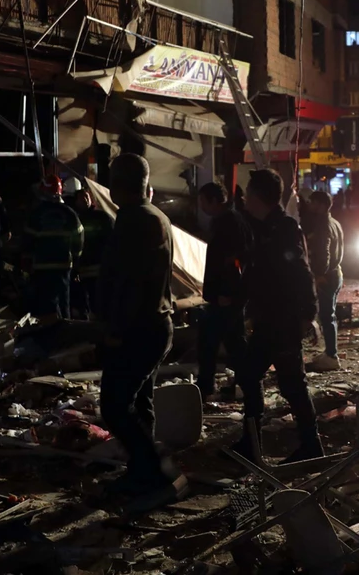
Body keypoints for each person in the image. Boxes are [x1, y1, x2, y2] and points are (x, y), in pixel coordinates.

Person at [97, 154, 182, 509]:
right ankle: (142, 471)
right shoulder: (157, 216)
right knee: (140, 402)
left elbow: (129, 283)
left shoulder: (132, 221)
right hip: (156, 325)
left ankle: (155, 470)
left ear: (117, 186)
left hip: (137, 329)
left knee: (114, 406)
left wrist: (115, 329)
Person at [235, 169, 323, 463]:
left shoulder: (284, 229)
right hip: (269, 319)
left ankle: (309, 445)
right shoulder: (262, 227)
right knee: (253, 375)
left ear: (258, 197)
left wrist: (307, 315)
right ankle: (253, 442)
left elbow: (301, 273)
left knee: (289, 384)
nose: (245, 198)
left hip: (283, 320)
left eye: (248, 193)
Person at [196, 182, 253, 399]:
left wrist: (227, 293)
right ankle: (245, 383)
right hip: (228, 295)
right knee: (234, 342)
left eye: (202, 201)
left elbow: (233, 262)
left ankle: (206, 386)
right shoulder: (231, 221)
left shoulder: (228, 224)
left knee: (209, 341)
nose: (201, 206)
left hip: (226, 296)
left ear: (213, 201)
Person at [22, 174, 84, 319]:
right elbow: (79, 239)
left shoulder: (36, 214)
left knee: (45, 307)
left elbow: (27, 241)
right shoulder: (69, 214)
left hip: (41, 267)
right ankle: (65, 335)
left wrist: (26, 262)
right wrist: (75, 258)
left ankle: (47, 336)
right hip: (63, 266)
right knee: (63, 303)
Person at [305, 190, 345, 372]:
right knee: (330, 315)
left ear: (320, 205)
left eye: (312, 203)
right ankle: (330, 353)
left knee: (327, 316)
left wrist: (319, 273)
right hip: (337, 273)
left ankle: (331, 356)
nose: (309, 206)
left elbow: (323, 251)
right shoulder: (335, 222)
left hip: (327, 275)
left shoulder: (323, 225)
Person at [68, 180, 112, 320]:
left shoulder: (102, 217)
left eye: (86, 197)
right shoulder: (74, 219)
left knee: (98, 300)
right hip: (83, 268)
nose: (85, 200)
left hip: (99, 267)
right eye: (81, 198)